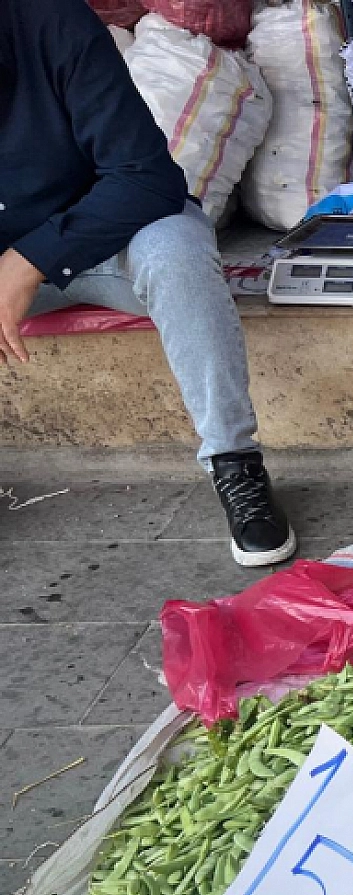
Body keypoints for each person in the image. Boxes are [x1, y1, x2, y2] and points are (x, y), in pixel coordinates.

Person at [0, 0, 295, 567]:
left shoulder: (52, 22)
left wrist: (29, 258)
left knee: (178, 250)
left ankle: (235, 465)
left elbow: (146, 178)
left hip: (106, 241)